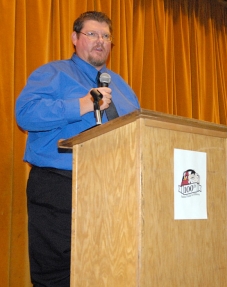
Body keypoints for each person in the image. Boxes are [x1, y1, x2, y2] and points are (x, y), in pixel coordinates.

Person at [15, 11, 140, 287]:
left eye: (106, 36)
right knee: (57, 274)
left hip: (113, 188)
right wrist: (81, 105)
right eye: (92, 34)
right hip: (60, 184)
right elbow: (24, 114)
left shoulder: (121, 86)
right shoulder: (53, 73)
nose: (100, 41)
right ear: (75, 38)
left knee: (107, 267)